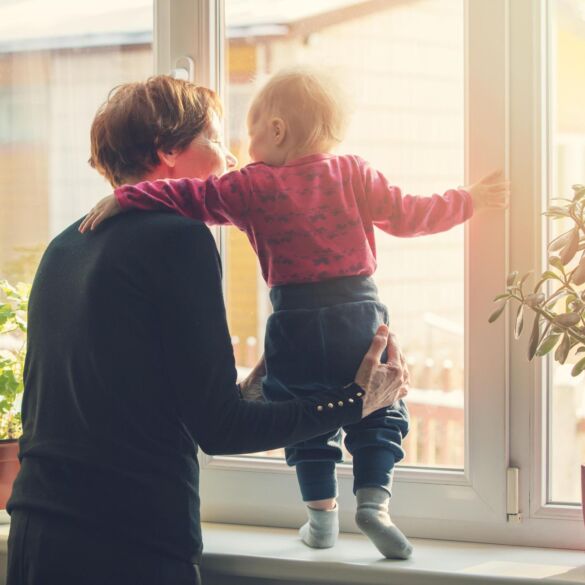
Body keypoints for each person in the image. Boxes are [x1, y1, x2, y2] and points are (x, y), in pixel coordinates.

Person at [81, 67, 509, 561]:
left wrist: (124, 195)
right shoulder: (351, 172)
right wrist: (469, 200)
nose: (234, 152)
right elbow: (410, 213)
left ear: (278, 131)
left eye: (246, 131)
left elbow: (189, 197)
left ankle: (321, 517)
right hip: (360, 311)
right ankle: (375, 501)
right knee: (383, 404)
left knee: (301, 411)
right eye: (221, 139)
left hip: (294, 321)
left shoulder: (245, 188)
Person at [5, 76, 409, 585]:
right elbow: (219, 430)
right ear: (169, 150)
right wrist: (357, 401)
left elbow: (135, 408)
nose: (231, 159)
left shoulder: (65, 246)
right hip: (128, 550)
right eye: (216, 140)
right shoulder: (178, 236)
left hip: (36, 541)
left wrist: (260, 382)